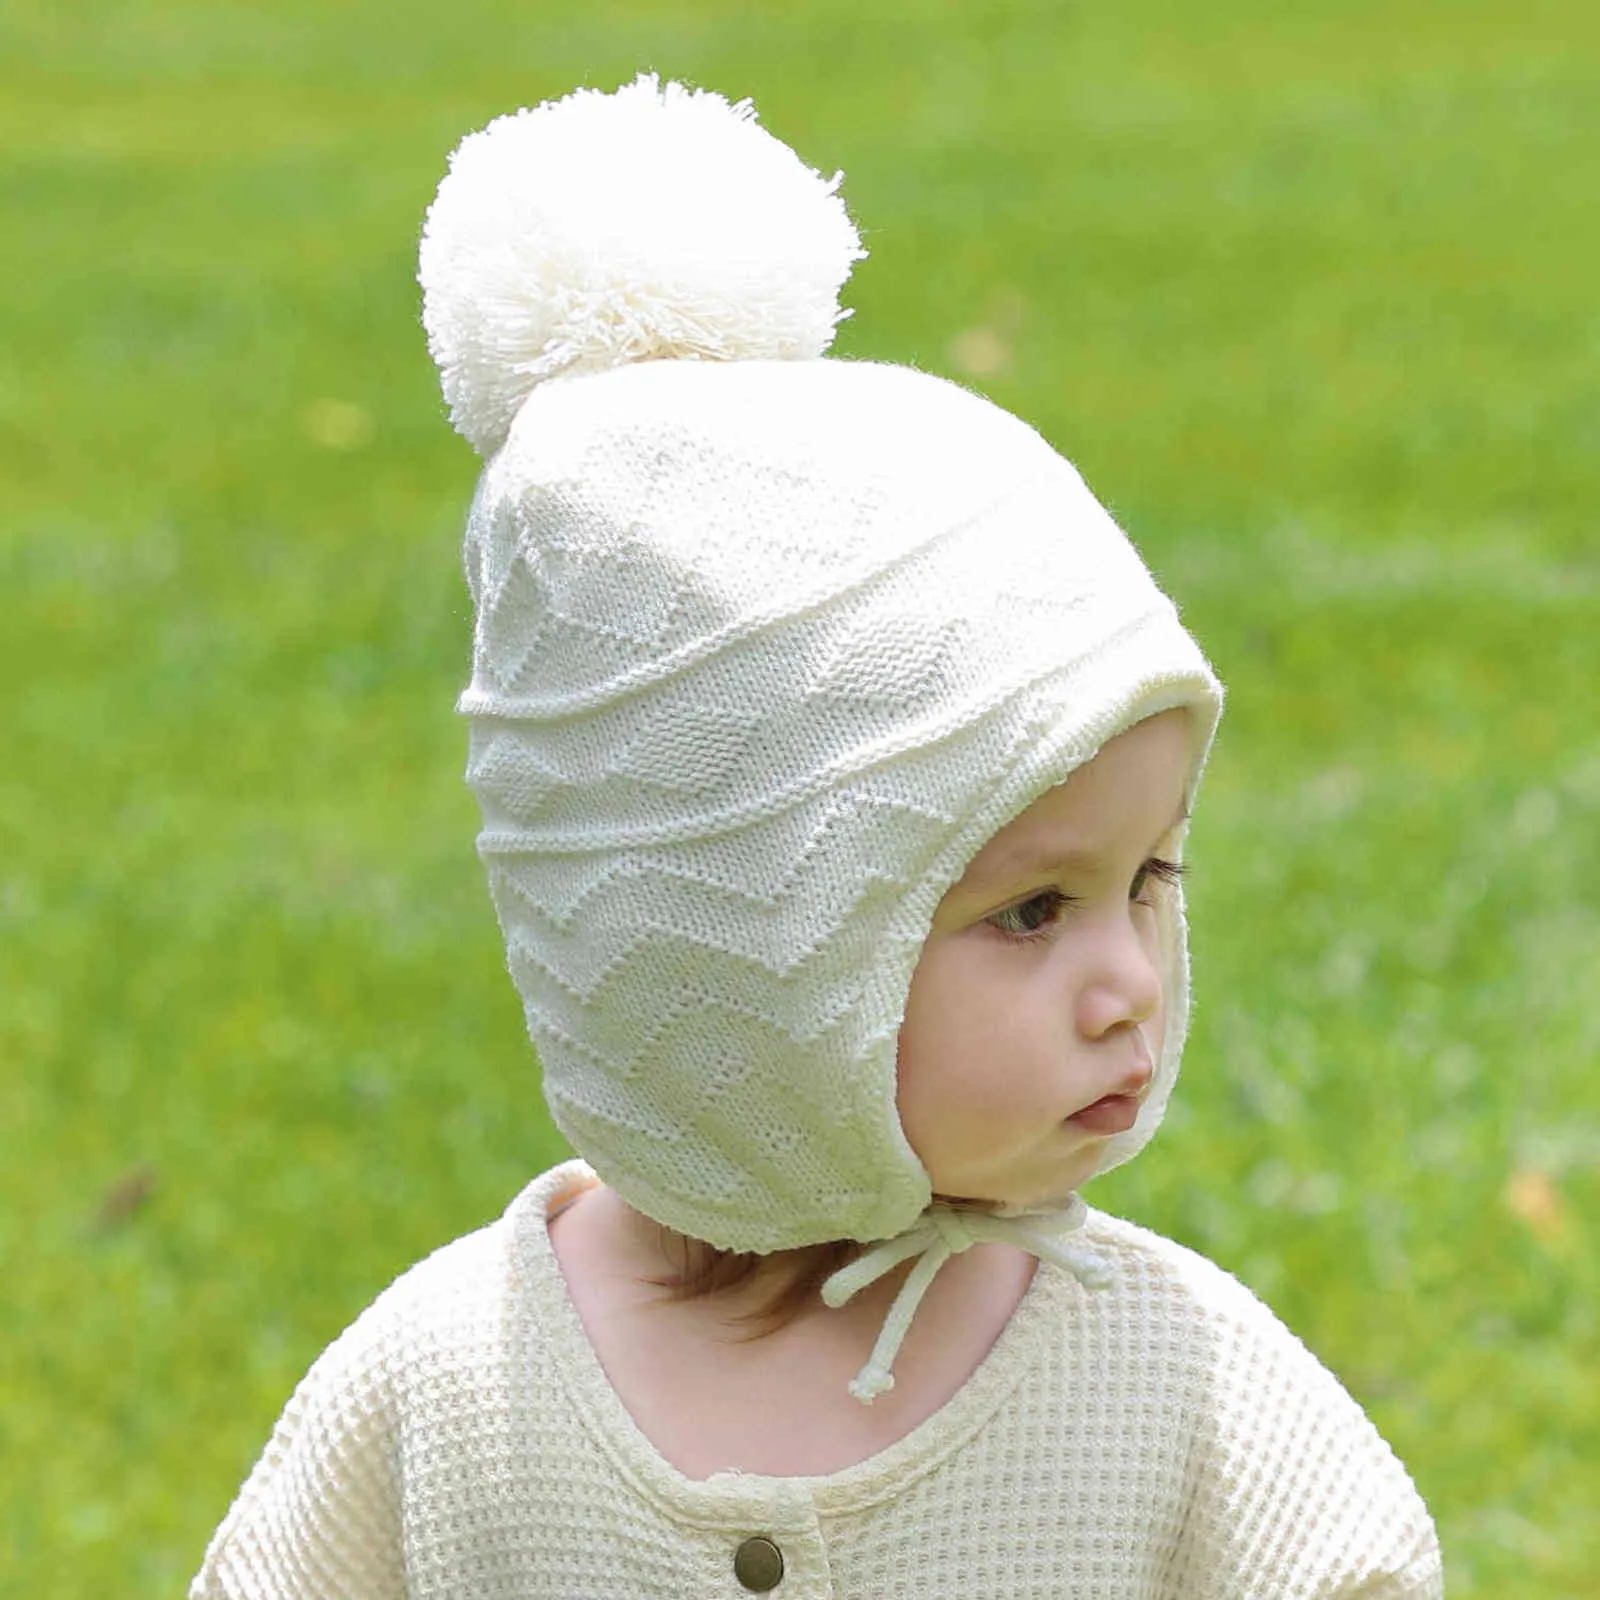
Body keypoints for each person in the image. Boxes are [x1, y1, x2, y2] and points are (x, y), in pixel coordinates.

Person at [190, 74, 1443, 1599]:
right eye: (1032, 912)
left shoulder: (1173, 1394)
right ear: (740, 943)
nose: (1130, 985)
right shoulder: (454, 1390)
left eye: (1149, 880)